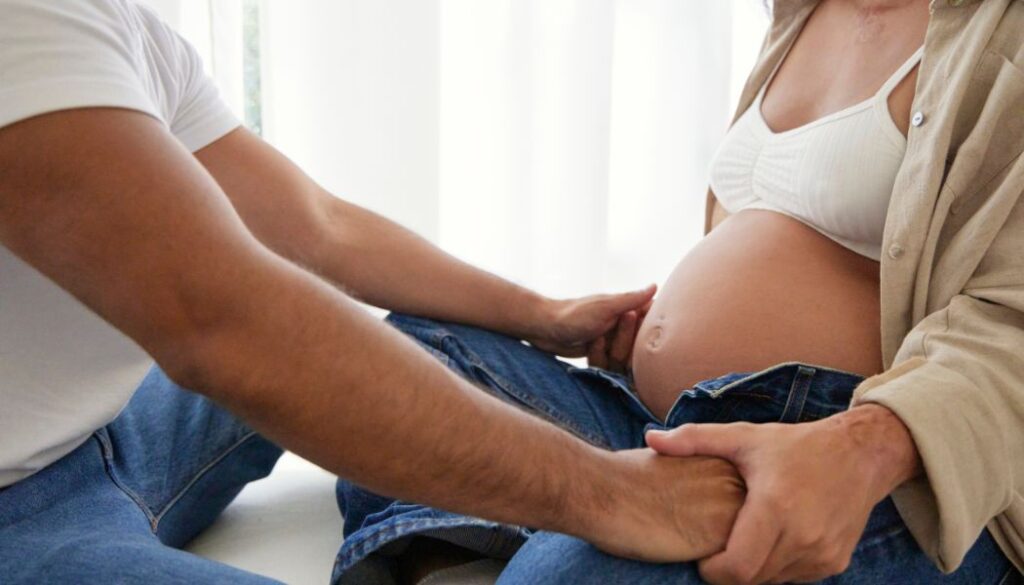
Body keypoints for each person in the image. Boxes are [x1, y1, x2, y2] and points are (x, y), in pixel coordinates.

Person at [0, 1, 750, 583]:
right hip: (16, 508)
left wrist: (541, 314)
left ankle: (427, 545)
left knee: (419, 339)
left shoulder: (114, 28)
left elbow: (319, 229)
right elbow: (224, 325)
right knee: (286, 340)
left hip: (115, 424)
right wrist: (611, 495)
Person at [335, 0, 1024, 583]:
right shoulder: (801, 11)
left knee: (572, 572)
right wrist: (672, 329)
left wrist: (864, 445)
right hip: (678, 418)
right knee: (396, 366)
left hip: (838, 458)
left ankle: (497, 544)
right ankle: (472, 547)